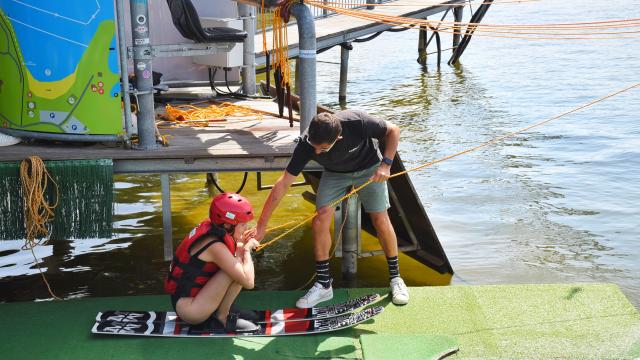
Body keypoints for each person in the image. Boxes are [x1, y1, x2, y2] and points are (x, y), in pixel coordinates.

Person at [246, 110, 410, 308]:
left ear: (338, 138)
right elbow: (282, 185)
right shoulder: (307, 145)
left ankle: (395, 278)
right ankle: (324, 284)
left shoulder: (357, 122)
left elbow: (393, 130)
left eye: (322, 149)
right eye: (314, 147)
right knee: (320, 219)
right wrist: (262, 226)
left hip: (369, 168)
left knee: (380, 219)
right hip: (335, 174)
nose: (316, 153)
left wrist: (386, 164)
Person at [164, 192, 260, 332]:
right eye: (243, 224)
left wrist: (239, 243)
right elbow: (248, 282)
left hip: (190, 299)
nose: (246, 228)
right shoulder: (215, 247)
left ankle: (221, 309)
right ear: (228, 225)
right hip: (191, 310)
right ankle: (222, 317)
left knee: (235, 266)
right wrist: (246, 249)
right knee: (235, 271)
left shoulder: (213, 230)